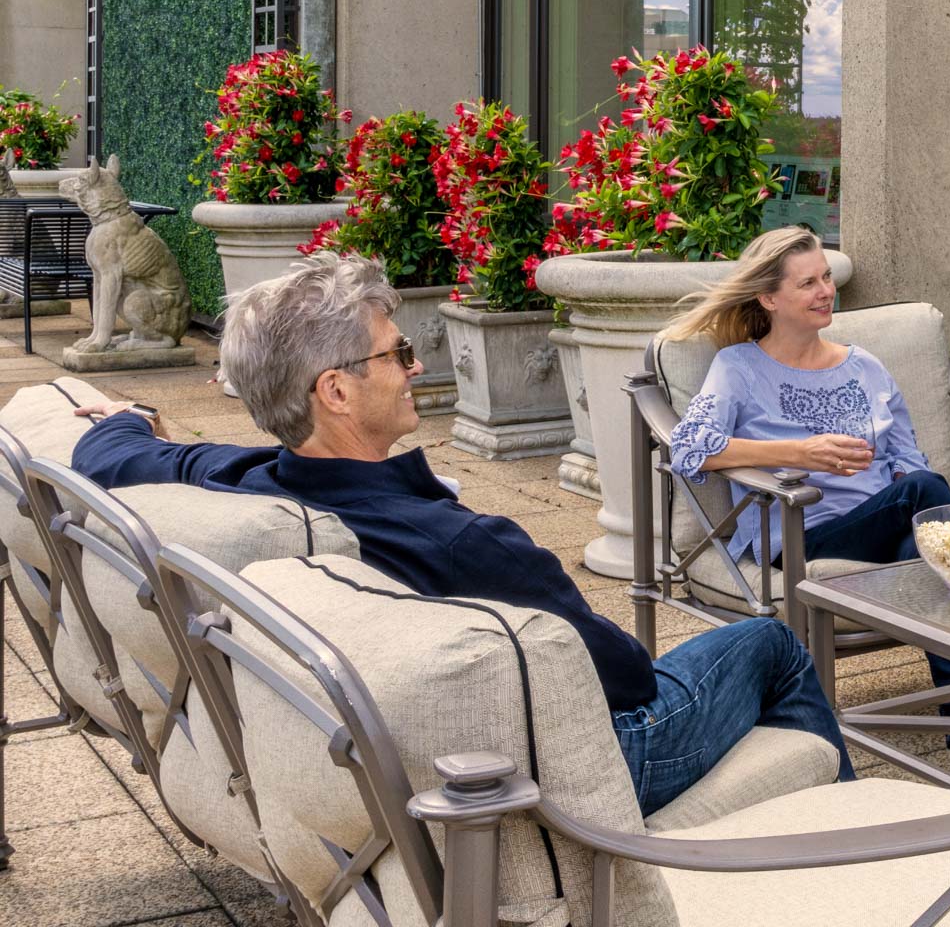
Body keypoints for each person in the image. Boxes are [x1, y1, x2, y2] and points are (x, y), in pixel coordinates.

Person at [67, 252, 854, 815]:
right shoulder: (466, 545)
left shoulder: (248, 488)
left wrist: (130, 417)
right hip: (582, 767)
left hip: (412, 760)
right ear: (337, 390)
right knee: (771, 643)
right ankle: (848, 840)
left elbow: (112, 451)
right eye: (398, 353)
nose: (414, 367)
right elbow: (627, 682)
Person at [662, 225, 950, 800]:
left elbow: (908, 462)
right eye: (807, 283)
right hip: (802, 534)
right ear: (768, 298)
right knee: (929, 505)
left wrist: (918, 499)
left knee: (927, 546)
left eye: (826, 277)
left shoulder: (866, 367)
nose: (825, 291)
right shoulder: (739, 367)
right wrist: (797, 453)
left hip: (886, 526)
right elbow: (688, 450)